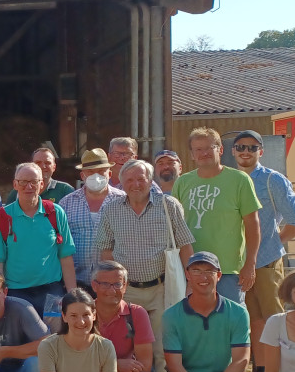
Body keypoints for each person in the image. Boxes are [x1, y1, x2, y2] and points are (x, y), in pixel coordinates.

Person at [96, 158, 195, 354]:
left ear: (150, 180)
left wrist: (190, 284)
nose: (135, 185)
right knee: (128, 345)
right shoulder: (111, 209)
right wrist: (112, 285)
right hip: (127, 290)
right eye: (130, 180)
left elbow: (185, 246)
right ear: (122, 184)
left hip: (162, 288)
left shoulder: (168, 206)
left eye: (141, 179)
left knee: (163, 345)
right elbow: (106, 249)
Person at [231, 130, 295, 372]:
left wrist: (272, 243)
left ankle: (285, 370)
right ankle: (261, 370)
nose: (246, 151)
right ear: (232, 151)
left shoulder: (273, 180)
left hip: (266, 262)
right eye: (241, 147)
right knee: (253, 319)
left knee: (274, 318)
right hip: (236, 263)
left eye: (252, 147)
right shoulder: (229, 179)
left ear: (261, 152)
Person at [171, 128, 261, 305]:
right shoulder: (182, 183)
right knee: (195, 323)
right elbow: (174, 226)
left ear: (220, 150)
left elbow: (252, 224)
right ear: (191, 154)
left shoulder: (239, 180)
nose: (203, 153)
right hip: (191, 269)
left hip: (228, 270)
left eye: (208, 148)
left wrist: (250, 263)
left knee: (230, 322)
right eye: (198, 149)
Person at [0, 162, 76, 316]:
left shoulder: (55, 213)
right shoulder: (2, 217)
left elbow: (65, 256)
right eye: (23, 182)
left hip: (52, 291)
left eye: (34, 182)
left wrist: (73, 295)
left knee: (54, 336)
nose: (28, 187)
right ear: (15, 184)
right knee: (22, 338)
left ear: (41, 184)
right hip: (16, 293)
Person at [90, 261, 162, 372]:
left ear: (125, 285)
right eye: (105, 284)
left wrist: (101, 368)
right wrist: (116, 364)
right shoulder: (84, 314)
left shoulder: (136, 313)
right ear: (94, 285)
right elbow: (77, 363)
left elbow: (145, 366)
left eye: (117, 284)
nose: (112, 290)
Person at [58, 149, 124, 288]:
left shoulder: (123, 201)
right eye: (90, 172)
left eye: (101, 172)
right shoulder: (66, 203)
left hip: (112, 284)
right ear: (82, 175)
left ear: (109, 174)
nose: (96, 176)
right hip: (76, 282)